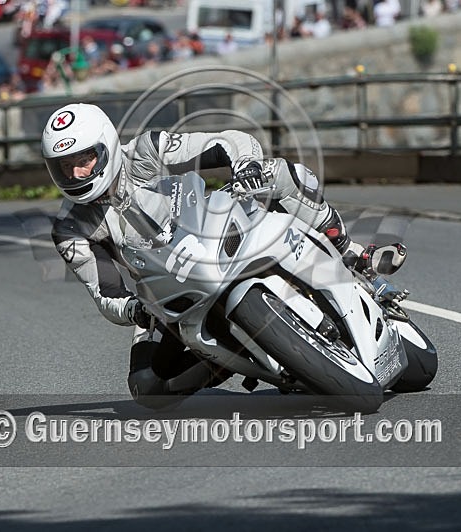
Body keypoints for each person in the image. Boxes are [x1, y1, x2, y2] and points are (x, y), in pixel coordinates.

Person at [42, 103, 407, 409]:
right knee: (147, 388)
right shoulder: (71, 228)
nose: (77, 173)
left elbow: (227, 142)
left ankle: (351, 254)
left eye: (86, 159)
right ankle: (227, 358)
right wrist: (135, 310)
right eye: (65, 166)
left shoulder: (147, 152)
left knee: (278, 174)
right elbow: (105, 293)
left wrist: (245, 165)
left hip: (216, 227)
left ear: (105, 146)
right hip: (165, 294)